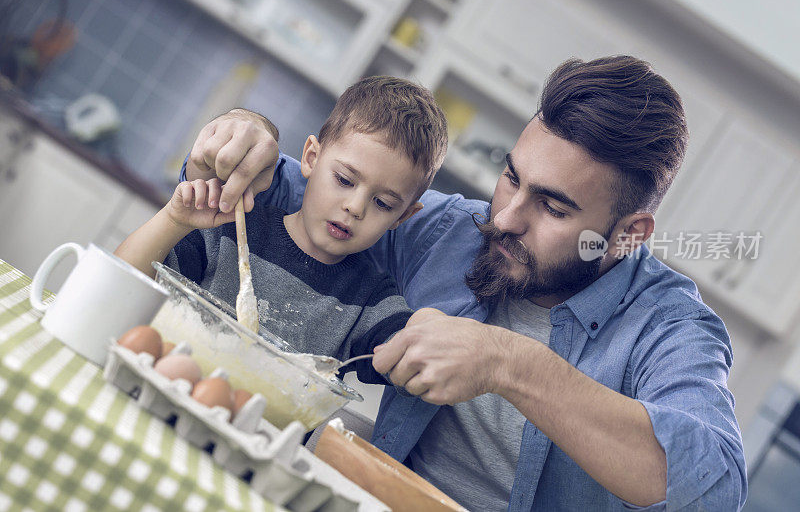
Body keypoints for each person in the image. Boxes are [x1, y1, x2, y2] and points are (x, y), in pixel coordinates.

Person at [182, 56, 746, 510]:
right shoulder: (450, 231)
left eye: (551, 207)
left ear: (628, 234)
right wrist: (243, 133)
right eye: (511, 177)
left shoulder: (669, 325)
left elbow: (714, 486)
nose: (504, 218)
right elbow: (281, 187)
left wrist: (509, 363)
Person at [116, 75, 448, 384]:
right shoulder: (233, 229)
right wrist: (174, 220)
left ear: (403, 217)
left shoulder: (370, 301)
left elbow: (411, 359)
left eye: (384, 204)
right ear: (311, 158)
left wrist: (430, 336)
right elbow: (122, 279)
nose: (355, 207)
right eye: (345, 180)